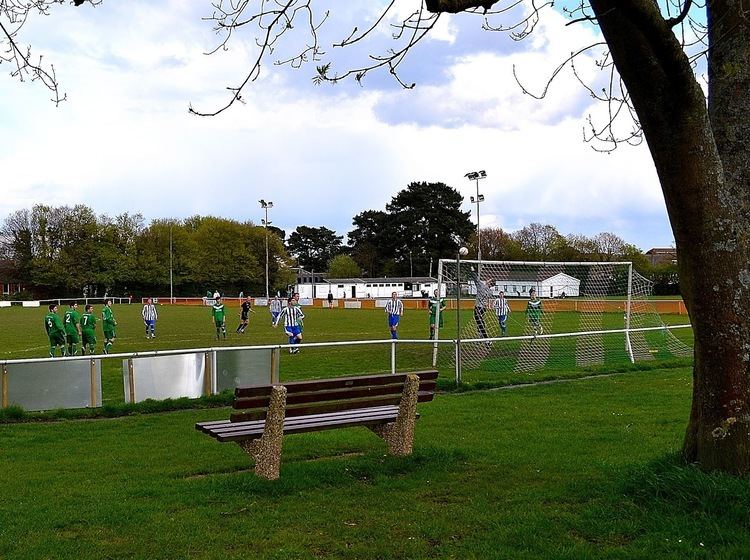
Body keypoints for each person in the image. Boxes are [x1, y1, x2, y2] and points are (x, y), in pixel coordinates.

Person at [468, 268, 492, 339]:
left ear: (489, 283)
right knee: (480, 321)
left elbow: (475, 278)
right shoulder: (490, 291)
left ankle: (486, 338)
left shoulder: (481, 286)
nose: (487, 280)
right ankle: (481, 334)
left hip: (478, 307)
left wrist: (472, 270)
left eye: (489, 280)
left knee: (479, 321)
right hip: (484, 308)